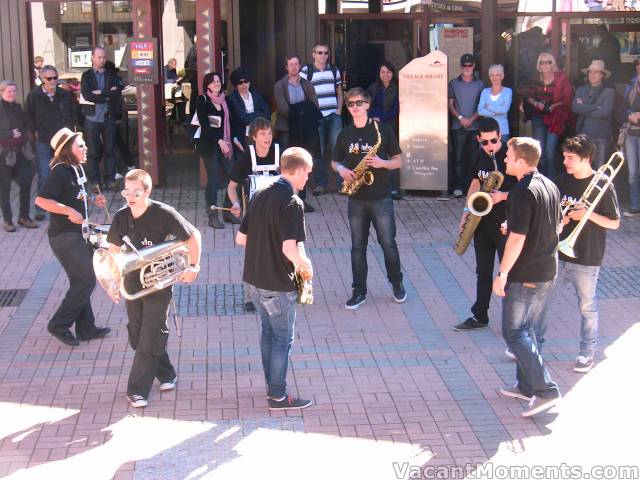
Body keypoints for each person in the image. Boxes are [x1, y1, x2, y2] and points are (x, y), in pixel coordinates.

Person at [105, 169, 201, 408]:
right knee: (138, 336)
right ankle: (167, 373)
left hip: (160, 280)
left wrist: (193, 266)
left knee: (151, 332)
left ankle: (137, 391)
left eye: (136, 192)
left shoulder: (164, 214)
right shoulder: (120, 217)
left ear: (147, 191)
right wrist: (112, 282)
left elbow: (193, 236)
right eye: (127, 192)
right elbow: (112, 253)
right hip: (132, 280)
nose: (130, 197)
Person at [236, 147, 313, 411]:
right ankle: (278, 396)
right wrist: (306, 265)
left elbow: (241, 238)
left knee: (268, 333)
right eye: (308, 174)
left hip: (253, 280)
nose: (307, 180)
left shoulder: (259, 194)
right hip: (277, 282)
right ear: (300, 170)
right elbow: (289, 249)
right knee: (283, 339)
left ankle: (273, 385)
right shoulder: (293, 203)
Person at [492, 136, 562, 418]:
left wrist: (503, 272)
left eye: (508, 155)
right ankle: (525, 386)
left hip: (526, 273)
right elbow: (553, 223)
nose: (505, 159)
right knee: (528, 330)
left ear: (522, 161)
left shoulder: (521, 191)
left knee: (515, 332)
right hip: (547, 270)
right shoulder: (549, 184)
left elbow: (518, 238)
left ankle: (545, 390)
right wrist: (516, 225)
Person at [538, 135, 620, 374]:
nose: (565, 162)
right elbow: (550, 215)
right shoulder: (561, 181)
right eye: (564, 157)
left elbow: (614, 223)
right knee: (543, 302)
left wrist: (587, 214)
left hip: (587, 255)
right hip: (558, 253)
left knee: (587, 306)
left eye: (570, 158)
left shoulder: (604, 184)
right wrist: (561, 220)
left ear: (586, 159)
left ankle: (587, 353)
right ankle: (534, 347)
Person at [35, 127, 111, 346]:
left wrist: (91, 201)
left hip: (78, 234)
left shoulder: (76, 168)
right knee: (86, 279)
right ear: (68, 149)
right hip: (64, 237)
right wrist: (68, 211)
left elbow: (74, 197)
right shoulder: (60, 171)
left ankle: (86, 328)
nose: (86, 148)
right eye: (81, 145)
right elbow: (41, 200)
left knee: (81, 280)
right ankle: (58, 324)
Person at [331, 87, 406, 309]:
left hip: (381, 197)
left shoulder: (381, 131)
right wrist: (341, 169)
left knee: (388, 244)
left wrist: (383, 164)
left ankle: (397, 283)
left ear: (367, 104)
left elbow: (399, 161)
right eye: (351, 104)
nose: (355, 107)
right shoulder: (345, 134)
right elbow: (334, 162)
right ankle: (359, 291)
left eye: (359, 103)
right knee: (357, 247)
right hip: (356, 198)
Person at [454, 117, 517, 331]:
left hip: (505, 223)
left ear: (500, 136)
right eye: (484, 142)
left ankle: (513, 321)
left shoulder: (510, 156)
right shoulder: (479, 154)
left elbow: (527, 189)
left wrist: (503, 196)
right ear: (478, 140)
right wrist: (466, 212)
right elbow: (474, 182)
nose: (490, 146)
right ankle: (480, 315)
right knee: (483, 270)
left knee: (507, 272)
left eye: (493, 141)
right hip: (482, 222)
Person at [26, 65, 78, 221]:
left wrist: (69, 130)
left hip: (63, 141)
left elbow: (73, 113)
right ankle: (41, 208)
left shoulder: (64, 94)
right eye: (49, 78)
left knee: (67, 171)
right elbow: (28, 116)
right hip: (43, 140)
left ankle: (67, 204)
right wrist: (34, 133)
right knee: (44, 173)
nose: (53, 81)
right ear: (42, 79)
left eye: (55, 77)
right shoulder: (34, 95)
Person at [274, 54, 320, 212]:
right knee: (287, 164)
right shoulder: (280, 85)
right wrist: (301, 110)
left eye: (296, 64)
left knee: (302, 163)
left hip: (304, 130)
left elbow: (314, 105)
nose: (294, 67)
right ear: (286, 67)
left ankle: (302, 199)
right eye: (290, 64)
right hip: (287, 129)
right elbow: (283, 109)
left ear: (300, 66)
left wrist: (300, 111)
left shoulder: (307, 85)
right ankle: (286, 199)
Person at [300, 42, 343, 196]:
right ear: (313, 54)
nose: (323, 55)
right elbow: (302, 92)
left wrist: (339, 110)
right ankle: (320, 184)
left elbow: (339, 91)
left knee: (338, 148)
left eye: (325, 53)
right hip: (316, 117)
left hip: (333, 115)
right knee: (319, 151)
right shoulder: (306, 71)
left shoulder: (334, 70)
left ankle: (341, 184)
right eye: (320, 53)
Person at [521, 52, 573, 179]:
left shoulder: (561, 78)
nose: (545, 65)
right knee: (540, 151)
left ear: (553, 64)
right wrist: (536, 103)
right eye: (542, 62)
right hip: (538, 117)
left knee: (550, 151)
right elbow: (529, 96)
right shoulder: (536, 78)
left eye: (548, 62)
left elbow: (568, 99)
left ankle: (552, 182)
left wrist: (554, 106)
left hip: (555, 118)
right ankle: (540, 180)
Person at [193, 72, 235, 229]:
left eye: (218, 81)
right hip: (209, 145)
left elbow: (230, 122)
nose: (216, 83)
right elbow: (205, 125)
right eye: (213, 81)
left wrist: (232, 140)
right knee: (214, 180)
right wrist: (219, 141)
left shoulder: (226, 100)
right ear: (207, 85)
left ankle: (228, 211)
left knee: (233, 175)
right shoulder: (202, 100)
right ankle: (212, 215)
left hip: (226, 145)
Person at [80, 46, 123, 191]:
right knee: (92, 151)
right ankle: (94, 182)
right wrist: (106, 94)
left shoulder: (111, 75)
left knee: (110, 150)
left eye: (104, 57)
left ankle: (110, 180)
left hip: (108, 117)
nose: (102, 60)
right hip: (92, 118)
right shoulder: (86, 76)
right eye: (99, 57)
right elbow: (87, 95)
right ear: (92, 58)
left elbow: (117, 92)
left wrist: (100, 93)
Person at [0, 80, 37, 232]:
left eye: (14, 91)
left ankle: (24, 216)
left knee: (26, 182)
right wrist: (10, 134)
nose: (12, 94)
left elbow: (24, 126)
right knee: (5, 188)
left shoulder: (17, 107)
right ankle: (8, 220)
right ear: (1, 92)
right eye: (9, 91)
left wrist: (24, 136)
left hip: (20, 152)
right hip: (4, 154)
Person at [446, 53, 484, 200]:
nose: (467, 68)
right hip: (458, 126)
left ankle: (470, 187)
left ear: (474, 66)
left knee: (473, 158)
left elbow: (481, 106)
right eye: (464, 65)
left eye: (470, 65)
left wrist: (472, 119)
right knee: (458, 158)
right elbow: (450, 104)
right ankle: (458, 187)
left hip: (475, 126)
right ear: (461, 66)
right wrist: (461, 118)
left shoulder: (480, 84)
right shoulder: (453, 83)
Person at [367, 60, 402, 200]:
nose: (385, 75)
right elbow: (366, 106)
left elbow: (397, 110)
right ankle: (375, 188)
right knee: (374, 156)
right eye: (383, 72)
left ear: (393, 74)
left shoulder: (398, 89)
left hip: (390, 126)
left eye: (388, 72)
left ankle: (393, 188)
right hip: (373, 126)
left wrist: (381, 118)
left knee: (390, 156)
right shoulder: (373, 88)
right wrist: (372, 117)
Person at [572, 60, 614, 169]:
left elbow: (605, 112)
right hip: (583, 135)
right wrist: (596, 107)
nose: (592, 75)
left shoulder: (609, 92)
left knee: (599, 170)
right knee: (583, 169)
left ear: (602, 75)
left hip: (601, 136)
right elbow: (575, 108)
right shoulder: (581, 90)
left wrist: (584, 108)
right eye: (591, 72)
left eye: (596, 72)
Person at [227, 67, 271, 157]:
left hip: (258, 136)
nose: (244, 85)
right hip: (242, 137)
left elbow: (267, 114)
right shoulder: (232, 98)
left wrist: (250, 115)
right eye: (240, 82)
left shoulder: (256, 96)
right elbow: (244, 119)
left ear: (249, 82)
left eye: (246, 81)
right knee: (245, 166)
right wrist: (259, 113)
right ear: (236, 85)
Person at [478, 64, 512, 144]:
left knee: (502, 155)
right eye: (492, 75)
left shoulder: (508, 91)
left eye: (497, 75)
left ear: (502, 76)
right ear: (489, 77)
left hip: (502, 131)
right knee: (489, 155)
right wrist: (497, 111)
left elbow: (504, 109)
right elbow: (480, 111)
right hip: (486, 132)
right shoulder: (485, 92)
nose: (494, 77)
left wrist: (488, 106)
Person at [623, 59, 640, 217]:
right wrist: (629, 114)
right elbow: (623, 105)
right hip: (631, 132)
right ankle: (635, 205)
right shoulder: (632, 82)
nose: (639, 66)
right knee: (633, 172)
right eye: (638, 63)